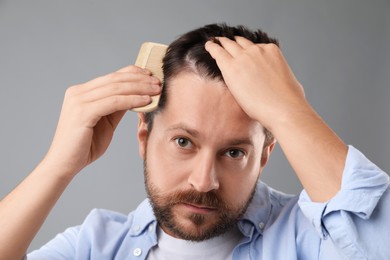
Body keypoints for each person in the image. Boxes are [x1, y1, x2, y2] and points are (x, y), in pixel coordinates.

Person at [0, 23, 389, 260]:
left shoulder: (310, 239)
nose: (203, 182)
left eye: (234, 152)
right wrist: (57, 165)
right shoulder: (97, 244)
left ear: (266, 154)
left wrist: (290, 112)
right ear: (144, 135)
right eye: (184, 142)